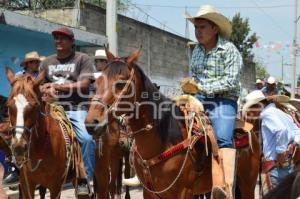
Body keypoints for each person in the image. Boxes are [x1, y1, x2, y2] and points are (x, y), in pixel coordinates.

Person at [185, 5, 242, 198]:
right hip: (199, 98)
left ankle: (225, 188)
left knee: (223, 137)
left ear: (215, 28)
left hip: (224, 100)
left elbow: (231, 80)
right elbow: (195, 77)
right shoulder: (197, 51)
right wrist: (189, 87)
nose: (198, 32)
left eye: (202, 27)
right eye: (196, 28)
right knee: (173, 123)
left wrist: (202, 88)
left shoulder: (229, 49)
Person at [40, 27, 96, 196]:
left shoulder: (82, 59)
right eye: (56, 38)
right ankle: (21, 171)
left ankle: (85, 179)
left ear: (72, 41)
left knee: (86, 138)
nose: (58, 41)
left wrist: (59, 86)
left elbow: (84, 84)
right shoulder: (47, 62)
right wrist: (46, 88)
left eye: (62, 38)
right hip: (51, 108)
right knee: (24, 131)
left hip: (76, 108)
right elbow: (38, 84)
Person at [243, 90, 295, 193]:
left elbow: (281, 130)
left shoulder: (266, 114)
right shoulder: (282, 113)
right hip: (288, 165)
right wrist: (292, 145)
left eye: (251, 109)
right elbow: (296, 132)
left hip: (274, 167)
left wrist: (280, 152)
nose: (252, 113)